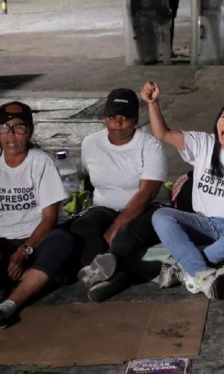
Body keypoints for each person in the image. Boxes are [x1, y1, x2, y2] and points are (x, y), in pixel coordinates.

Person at [142, 82, 224, 300]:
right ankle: (201, 272)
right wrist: (153, 103)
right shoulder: (203, 143)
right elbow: (162, 133)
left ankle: (186, 266)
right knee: (160, 216)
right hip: (202, 223)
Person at [0, 102, 77, 328]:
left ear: (29, 131)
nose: (10, 135)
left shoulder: (41, 162)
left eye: (18, 128)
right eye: (4, 127)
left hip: (34, 241)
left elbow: (49, 218)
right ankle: (16, 282)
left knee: (63, 241)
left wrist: (24, 251)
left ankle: (9, 305)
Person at [71, 88, 167, 302]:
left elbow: (147, 193)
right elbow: (89, 181)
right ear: (105, 118)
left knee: (124, 235)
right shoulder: (90, 143)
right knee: (83, 228)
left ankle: (115, 276)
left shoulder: (149, 145)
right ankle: (108, 273)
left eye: (124, 118)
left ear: (135, 120)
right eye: (112, 117)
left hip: (143, 210)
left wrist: (116, 227)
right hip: (103, 207)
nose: (117, 122)